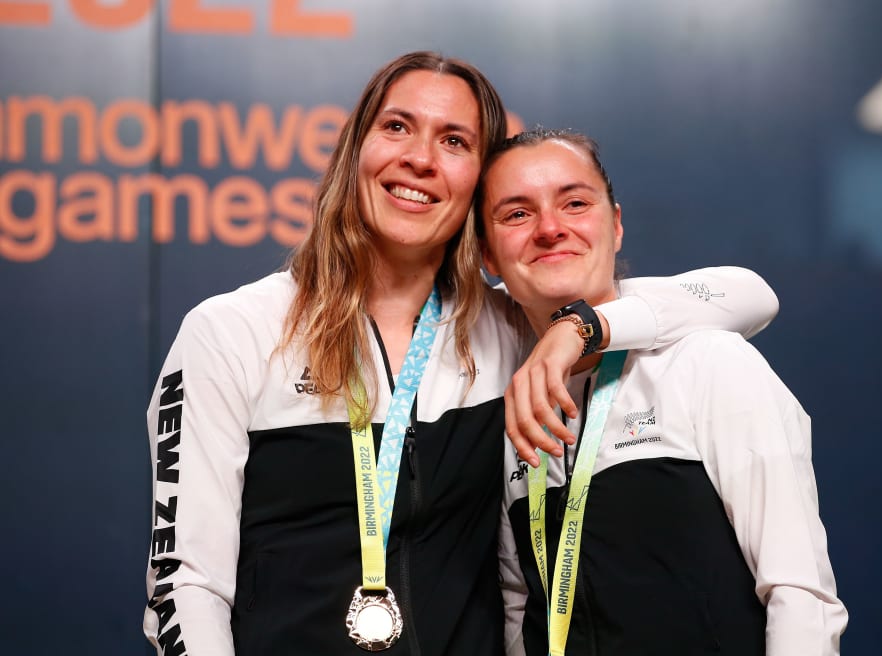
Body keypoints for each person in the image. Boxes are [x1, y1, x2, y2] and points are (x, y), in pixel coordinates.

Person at [143, 53, 779, 655]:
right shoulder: (233, 333)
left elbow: (747, 295)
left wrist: (579, 327)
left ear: (476, 185)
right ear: (354, 151)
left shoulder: (508, 332)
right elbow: (184, 585)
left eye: (454, 141)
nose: (421, 159)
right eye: (397, 127)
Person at [478, 129, 848, 656]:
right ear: (488, 256)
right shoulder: (511, 405)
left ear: (617, 225)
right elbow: (519, 606)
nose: (550, 228)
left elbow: (801, 595)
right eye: (516, 214)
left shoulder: (709, 364)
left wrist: (583, 326)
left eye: (575, 203)